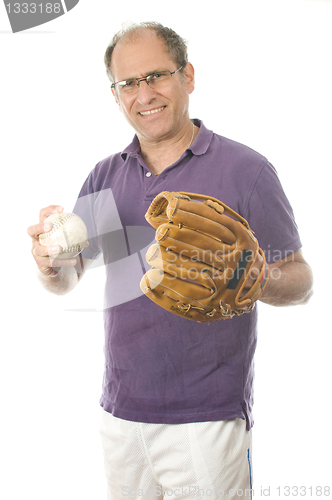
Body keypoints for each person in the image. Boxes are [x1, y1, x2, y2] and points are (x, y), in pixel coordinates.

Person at [27, 22, 313, 500]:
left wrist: (253, 278)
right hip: (120, 414)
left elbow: (301, 281)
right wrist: (49, 264)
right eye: (128, 83)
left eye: (157, 75)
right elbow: (68, 278)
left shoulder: (246, 170)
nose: (144, 94)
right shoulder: (105, 174)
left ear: (188, 77)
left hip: (207, 417)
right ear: (115, 95)